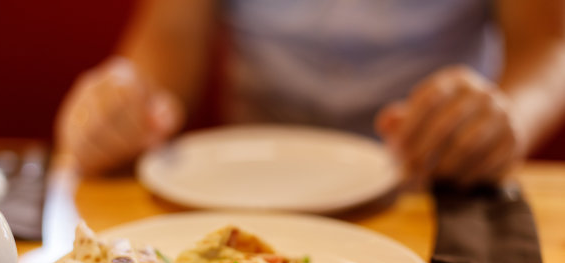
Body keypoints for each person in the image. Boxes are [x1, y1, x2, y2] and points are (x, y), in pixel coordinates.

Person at [55, 0, 565, 187]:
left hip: (434, 179)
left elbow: (547, 42)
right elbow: (169, 36)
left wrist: (507, 117)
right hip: (249, 181)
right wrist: (124, 98)